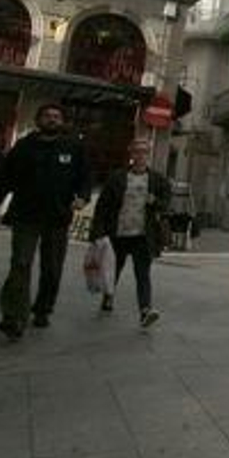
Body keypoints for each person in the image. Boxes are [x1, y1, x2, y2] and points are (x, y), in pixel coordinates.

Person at [0, 101, 91, 338]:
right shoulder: (24, 147)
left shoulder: (73, 147)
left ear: (62, 121)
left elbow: (85, 178)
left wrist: (82, 197)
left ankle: (43, 309)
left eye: (56, 116)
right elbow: (2, 180)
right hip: (26, 216)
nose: (52, 119)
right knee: (20, 263)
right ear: (38, 120)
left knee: (51, 268)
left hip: (58, 217)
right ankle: (13, 316)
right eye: (47, 116)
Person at [89, 137, 171, 328]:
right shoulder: (117, 177)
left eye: (144, 151)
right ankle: (108, 297)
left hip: (143, 236)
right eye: (137, 151)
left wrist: (155, 202)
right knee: (113, 270)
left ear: (148, 154)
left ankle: (145, 310)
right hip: (117, 234)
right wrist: (97, 232)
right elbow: (103, 207)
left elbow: (166, 204)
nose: (140, 155)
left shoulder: (158, 180)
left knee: (143, 274)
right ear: (131, 153)